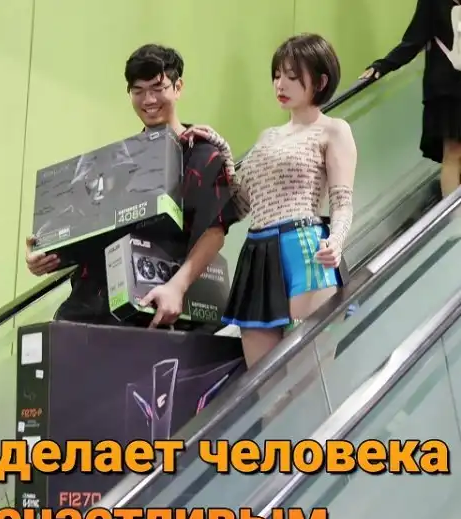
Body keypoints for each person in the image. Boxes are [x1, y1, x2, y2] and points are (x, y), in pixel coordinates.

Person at [25, 44, 240, 329]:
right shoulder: (117, 164)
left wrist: (177, 287)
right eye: (138, 90)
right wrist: (47, 253)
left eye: (158, 88)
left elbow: (214, 231)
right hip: (88, 307)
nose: (148, 99)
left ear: (178, 87)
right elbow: (90, 230)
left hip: (156, 308)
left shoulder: (202, 154)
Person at [185, 34, 357, 368]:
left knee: (308, 381)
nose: (281, 84)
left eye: (292, 76)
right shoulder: (267, 137)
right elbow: (241, 202)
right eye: (277, 75)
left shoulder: (333, 130)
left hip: (306, 250)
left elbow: (342, 200)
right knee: (264, 385)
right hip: (257, 253)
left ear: (320, 81)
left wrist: (337, 240)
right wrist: (221, 149)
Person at [361, 0, 461, 198]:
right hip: (447, 89)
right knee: (453, 151)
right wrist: (383, 65)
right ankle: (452, 216)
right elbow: (414, 40)